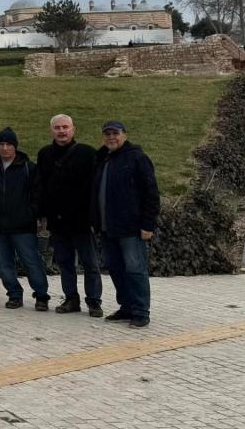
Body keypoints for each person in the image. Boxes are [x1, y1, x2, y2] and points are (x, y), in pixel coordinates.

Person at [92, 120, 159, 328]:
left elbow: (151, 193)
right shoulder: (102, 157)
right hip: (107, 226)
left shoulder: (137, 158)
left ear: (124, 135)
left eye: (115, 133)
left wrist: (148, 225)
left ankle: (141, 311)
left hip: (130, 228)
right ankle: (127, 307)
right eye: (107, 134)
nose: (111, 137)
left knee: (135, 269)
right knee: (115, 268)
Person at [38, 114, 102, 317]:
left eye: (65, 127)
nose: (61, 131)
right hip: (58, 221)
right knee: (65, 263)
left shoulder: (87, 153)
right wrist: (42, 214)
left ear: (73, 130)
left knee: (90, 263)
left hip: (82, 220)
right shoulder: (45, 154)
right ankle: (71, 299)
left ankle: (94, 301)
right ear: (51, 131)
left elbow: (97, 187)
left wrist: (94, 217)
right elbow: (41, 186)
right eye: (57, 127)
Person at [0, 128, 49, 311]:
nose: (4, 148)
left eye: (8, 144)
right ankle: (14, 294)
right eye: (1, 144)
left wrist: (30, 214)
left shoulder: (28, 168)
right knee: (4, 264)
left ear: (15, 147)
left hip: (23, 226)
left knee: (32, 261)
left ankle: (41, 295)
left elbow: (37, 195)